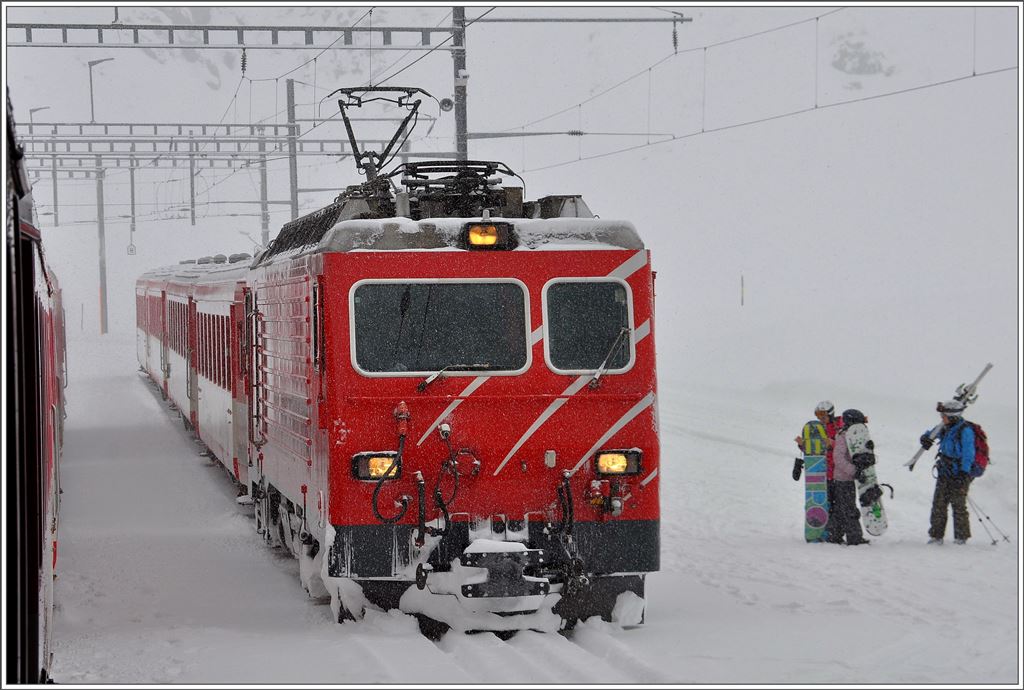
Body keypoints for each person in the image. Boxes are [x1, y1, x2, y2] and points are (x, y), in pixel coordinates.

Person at [919, 400, 975, 545]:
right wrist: (925, 438)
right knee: (939, 503)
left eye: (944, 415)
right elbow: (931, 434)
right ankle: (936, 535)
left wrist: (964, 474)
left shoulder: (965, 431)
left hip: (960, 473)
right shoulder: (944, 427)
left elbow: (969, 454)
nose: (941, 418)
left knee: (958, 504)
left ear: (953, 416)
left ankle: (961, 537)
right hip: (944, 471)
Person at [794, 401, 845, 543]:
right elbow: (813, 451)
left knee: (837, 505)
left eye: (823, 415)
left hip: (836, 473)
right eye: (818, 415)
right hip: (821, 473)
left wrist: (832, 443)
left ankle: (834, 534)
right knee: (824, 503)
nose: (820, 418)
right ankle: (823, 531)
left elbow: (844, 448)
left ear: (830, 414)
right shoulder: (817, 428)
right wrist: (803, 445)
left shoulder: (839, 428)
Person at [828, 411, 870, 545]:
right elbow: (838, 458)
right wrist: (853, 471)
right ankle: (854, 537)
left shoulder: (853, 435)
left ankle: (835, 535)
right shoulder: (843, 436)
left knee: (841, 508)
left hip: (848, 478)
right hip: (843, 479)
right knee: (848, 508)